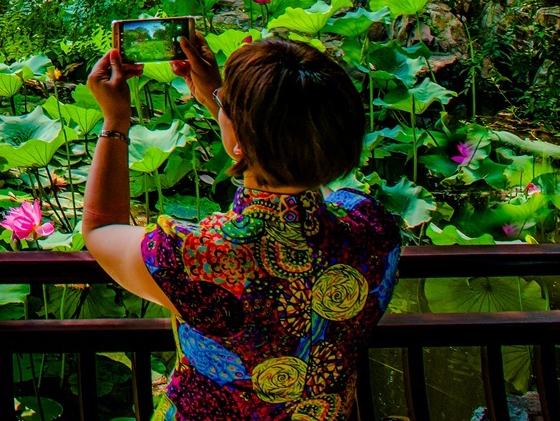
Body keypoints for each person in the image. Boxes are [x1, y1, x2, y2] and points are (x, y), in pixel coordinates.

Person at [81, 31, 399, 421]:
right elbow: (306, 164)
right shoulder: (373, 229)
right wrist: (224, 104)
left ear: (239, 140)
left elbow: (100, 228)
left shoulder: (195, 255)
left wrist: (115, 121)